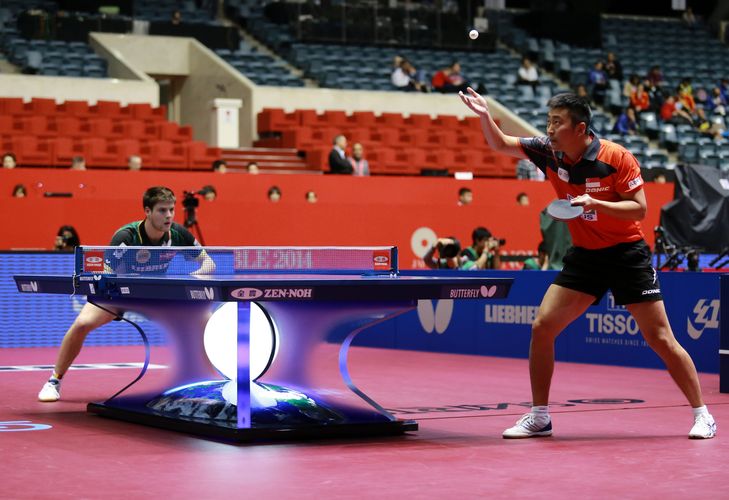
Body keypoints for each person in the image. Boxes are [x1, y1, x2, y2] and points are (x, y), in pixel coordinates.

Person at [459, 87, 715, 439]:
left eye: (557, 122)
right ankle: (540, 416)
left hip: (626, 255)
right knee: (542, 327)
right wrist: (485, 115)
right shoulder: (548, 151)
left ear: (580, 129)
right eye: (549, 121)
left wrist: (598, 204)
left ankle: (703, 415)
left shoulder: (616, 157)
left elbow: (639, 207)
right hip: (585, 256)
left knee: (659, 337)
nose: (549, 129)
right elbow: (500, 144)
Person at [38, 186, 216, 402]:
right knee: (83, 323)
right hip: (119, 294)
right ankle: (54, 380)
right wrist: (117, 293)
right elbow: (107, 271)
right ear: (147, 211)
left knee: (204, 318)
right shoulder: (127, 237)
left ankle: (211, 382)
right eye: (162, 210)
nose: (168, 215)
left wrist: (189, 280)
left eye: (171, 209)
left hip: (155, 296)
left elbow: (208, 263)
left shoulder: (179, 234)